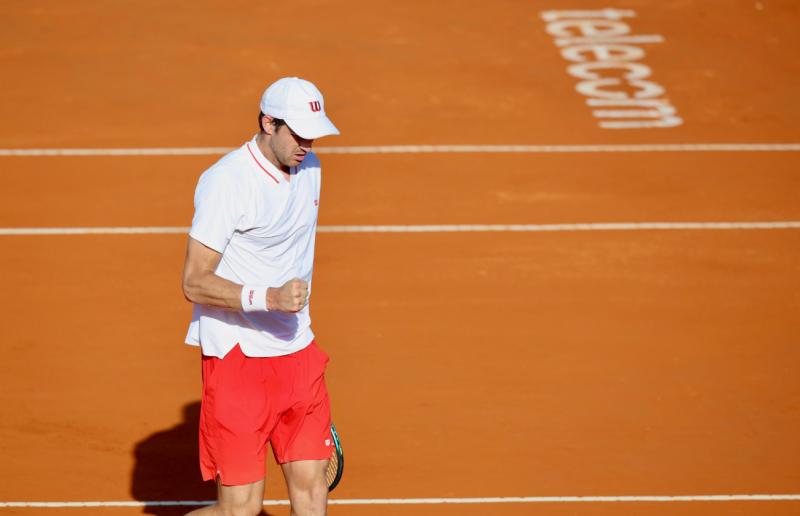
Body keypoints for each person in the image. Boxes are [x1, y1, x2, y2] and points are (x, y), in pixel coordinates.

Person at [181, 77, 339, 516]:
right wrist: (268, 298)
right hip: (237, 361)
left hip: (297, 352)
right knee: (241, 511)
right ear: (268, 122)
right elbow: (194, 281)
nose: (308, 143)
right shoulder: (226, 182)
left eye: (314, 133)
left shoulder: (311, 169)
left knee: (311, 495)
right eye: (299, 133)